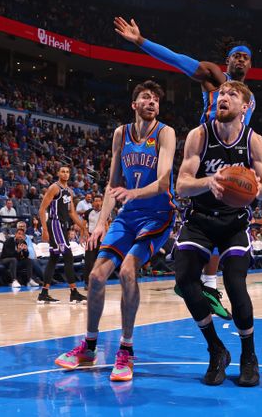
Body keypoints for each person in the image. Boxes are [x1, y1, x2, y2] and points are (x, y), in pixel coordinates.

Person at [115, 16, 256, 319]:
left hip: (232, 156)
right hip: (205, 152)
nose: (241, 60)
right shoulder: (213, 76)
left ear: (250, 66)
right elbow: (179, 61)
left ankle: (207, 283)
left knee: (230, 217)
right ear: (227, 61)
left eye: (246, 57)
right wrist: (141, 41)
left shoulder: (248, 98)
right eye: (236, 56)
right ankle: (199, 278)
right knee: (207, 216)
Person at [54, 81, 176, 382]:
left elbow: (163, 182)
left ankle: (126, 350)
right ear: (134, 104)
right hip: (129, 215)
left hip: (158, 214)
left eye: (156, 99)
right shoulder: (121, 133)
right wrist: (101, 222)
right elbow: (113, 184)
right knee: (96, 276)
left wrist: (133, 194)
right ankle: (90, 346)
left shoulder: (165, 133)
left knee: (127, 272)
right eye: (146, 97)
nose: (152, 102)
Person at [173, 81, 262, 387]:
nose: (224, 97)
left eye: (232, 94)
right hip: (200, 219)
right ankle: (216, 350)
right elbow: (181, 185)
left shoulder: (254, 141)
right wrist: (210, 182)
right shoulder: (199, 135)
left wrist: (256, 189)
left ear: (245, 107)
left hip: (234, 224)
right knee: (184, 281)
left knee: (235, 284)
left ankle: (248, 355)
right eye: (221, 94)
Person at [37, 165, 87, 304]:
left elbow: (72, 213)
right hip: (55, 224)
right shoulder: (54, 188)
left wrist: (83, 227)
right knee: (68, 256)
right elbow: (42, 209)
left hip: (63, 226)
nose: (65, 174)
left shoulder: (69, 191)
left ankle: (44, 293)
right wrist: (45, 229)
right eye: (62, 171)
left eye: (67, 172)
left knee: (53, 258)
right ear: (58, 173)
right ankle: (74, 293)